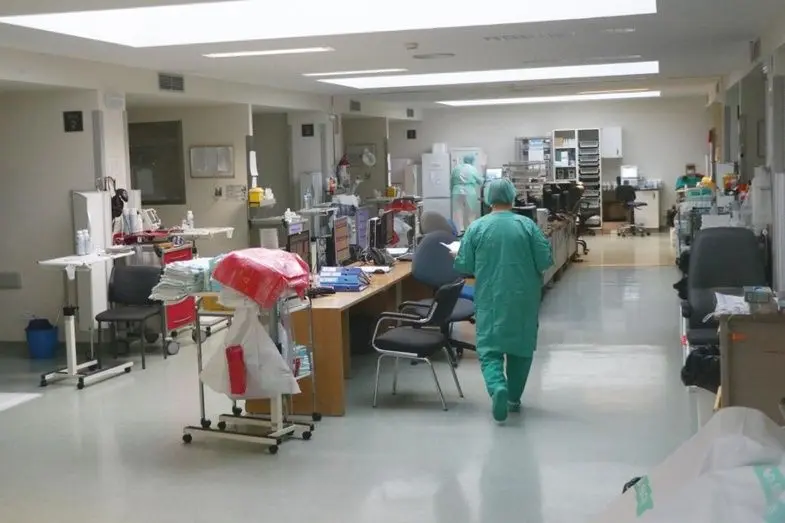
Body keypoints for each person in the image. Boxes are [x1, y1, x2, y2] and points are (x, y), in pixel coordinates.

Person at [453, 178, 553, 422]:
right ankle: (513, 399)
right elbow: (544, 260)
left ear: (488, 199)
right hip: (523, 298)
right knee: (521, 350)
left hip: (491, 297)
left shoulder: (477, 227)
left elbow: (464, 265)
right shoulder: (527, 226)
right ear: (511, 197)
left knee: (489, 350)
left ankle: (498, 386)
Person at [450, 155, 484, 232]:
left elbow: (451, 181)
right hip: (469, 192)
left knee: (457, 214)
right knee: (470, 214)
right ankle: (470, 232)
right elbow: (480, 181)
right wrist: (483, 177)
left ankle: (459, 232)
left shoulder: (456, 168)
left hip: (456, 191)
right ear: (472, 161)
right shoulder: (472, 168)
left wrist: (452, 191)